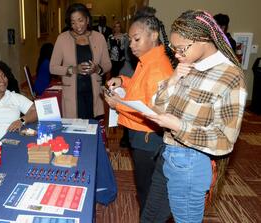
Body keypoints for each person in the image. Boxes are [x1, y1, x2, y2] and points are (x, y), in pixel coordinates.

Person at [142, 10, 247, 222]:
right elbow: (157, 106)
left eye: (181, 49)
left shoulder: (230, 76)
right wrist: (172, 80)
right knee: (150, 216)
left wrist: (180, 126)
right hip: (168, 153)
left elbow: (225, 140)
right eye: (174, 49)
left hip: (191, 163)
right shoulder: (188, 66)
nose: (177, 55)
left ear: (203, 39)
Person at [104, 7, 175, 216]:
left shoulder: (158, 68)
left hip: (149, 136)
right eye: (130, 40)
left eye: (136, 40)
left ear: (153, 36)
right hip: (141, 133)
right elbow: (139, 90)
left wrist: (118, 105)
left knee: (148, 189)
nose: (131, 46)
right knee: (145, 186)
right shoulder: (147, 61)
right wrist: (123, 81)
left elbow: (153, 110)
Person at [50, 3, 111, 119]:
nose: (77, 26)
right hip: (72, 95)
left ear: (87, 20)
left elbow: (107, 64)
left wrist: (97, 69)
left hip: (94, 94)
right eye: (73, 22)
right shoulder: (62, 38)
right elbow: (52, 67)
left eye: (80, 20)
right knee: (75, 131)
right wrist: (73, 69)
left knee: (94, 129)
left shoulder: (99, 38)